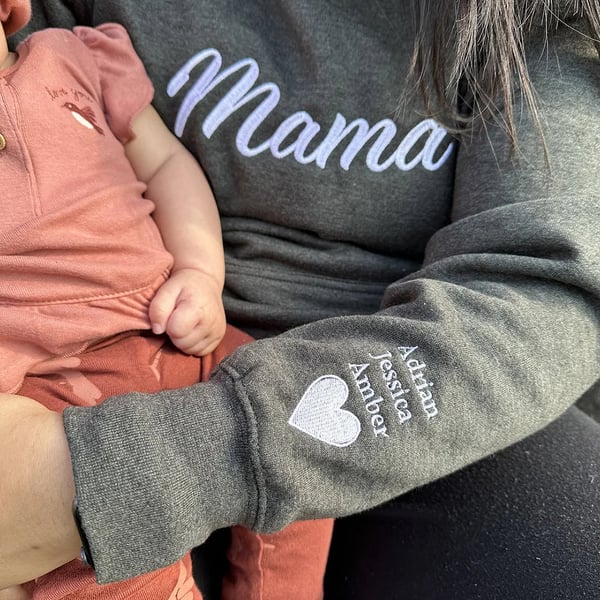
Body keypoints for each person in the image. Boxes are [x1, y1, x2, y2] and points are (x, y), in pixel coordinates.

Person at [2, 0, 600, 598]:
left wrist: (133, 470)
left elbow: (545, 296)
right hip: (115, 356)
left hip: (413, 393)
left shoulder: (534, 23)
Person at [0, 1, 333, 599]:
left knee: (304, 419)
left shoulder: (78, 60)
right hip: (47, 382)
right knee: (93, 548)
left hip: (169, 325)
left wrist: (200, 271)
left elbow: (165, 164)